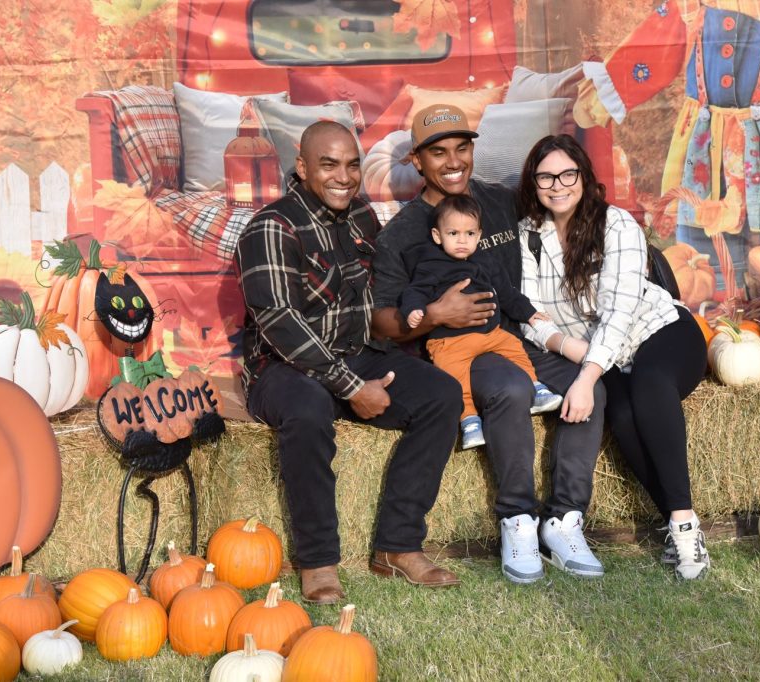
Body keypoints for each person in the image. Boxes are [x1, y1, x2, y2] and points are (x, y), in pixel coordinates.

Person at [371, 104, 606, 584]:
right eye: (438, 152)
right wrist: (435, 314)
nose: (453, 161)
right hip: (458, 350)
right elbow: (381, 322)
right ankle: (518, 519)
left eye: (462, 148)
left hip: (517, 336)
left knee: (591, 384)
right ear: (417, 160)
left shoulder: (501, 203)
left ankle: (563, 518)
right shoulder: (403, 234)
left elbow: (567, 205)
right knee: (511, 389)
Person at [234, 120, 463, 604]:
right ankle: (318, 560)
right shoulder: (270, 228)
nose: (344, 176)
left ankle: (397, 546)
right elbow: (281, 323)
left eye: (353, 164)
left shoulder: (361, 216)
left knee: (441, 396)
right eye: (329, 164)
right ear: (302, 168)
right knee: (309, 410)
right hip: (284, 367)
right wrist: (352, 387)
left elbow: (381, 299)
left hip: (356, 354)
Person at [516, 134, 711, 580]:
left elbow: (621, 312)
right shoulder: (529, 236)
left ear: (584, 177)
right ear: (534, 182)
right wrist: (567, 348)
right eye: (546, 176)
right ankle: (684, 524)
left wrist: (585, 379)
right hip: (598, 354)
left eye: (568, 174)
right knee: (621, 414)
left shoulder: (617, 224)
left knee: (648, 388)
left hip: (658, 332)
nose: (557, 184)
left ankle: (683, 530)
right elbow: (529, 313)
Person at [400, 193, 563, 449]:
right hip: (450, 342)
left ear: (479, 235)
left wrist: (528, 312)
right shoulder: (431, 264)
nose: (462, 241)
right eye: (453, 234)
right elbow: (415, 291)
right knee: (456, 379)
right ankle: (469, 421)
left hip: (490, 334)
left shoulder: (486, 261)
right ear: (437, 236)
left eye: (469, 234)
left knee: (516, 348)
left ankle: (536, 387)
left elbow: (507, 292)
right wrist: (414, 310)